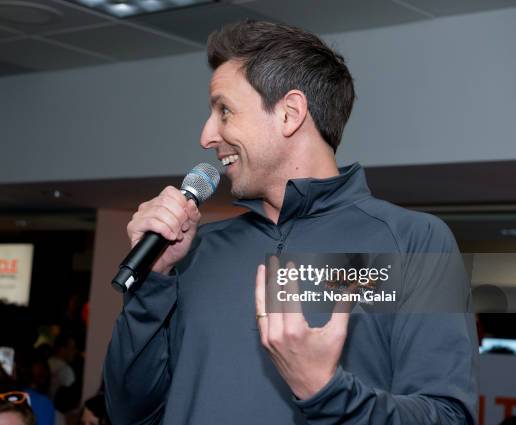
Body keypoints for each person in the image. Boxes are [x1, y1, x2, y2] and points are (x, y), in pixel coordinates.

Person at [104, 20, 478, 424]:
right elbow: (131, 413)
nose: (207, 135)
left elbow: (447, 415)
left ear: (290, 113)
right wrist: (152, 282)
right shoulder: (196, 252)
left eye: (224, 110)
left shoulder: (413, 241)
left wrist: (326, 392)